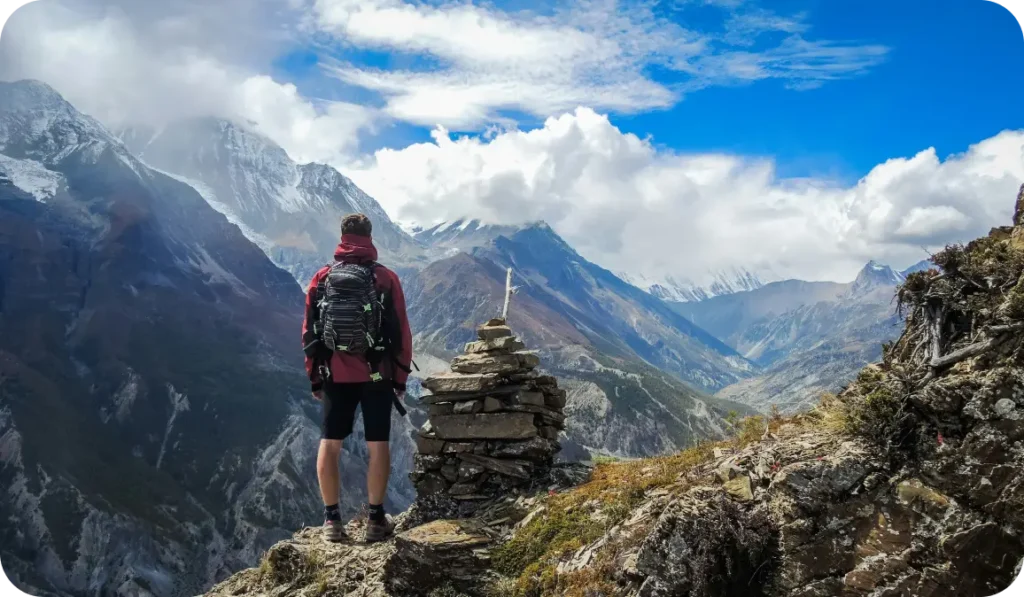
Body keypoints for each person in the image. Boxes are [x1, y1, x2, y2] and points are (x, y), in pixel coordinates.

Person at [301, 213, 413, 543]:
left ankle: (331, 521)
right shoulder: (386, 278)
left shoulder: (322, 277)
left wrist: (315, 377)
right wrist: (400, 378)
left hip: (334, 373)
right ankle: (376, 520)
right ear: (370, 237)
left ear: (342, 237)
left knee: (330, 443)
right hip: (377, 373)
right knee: (378, 445)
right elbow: (402, 332)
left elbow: (309, 332)